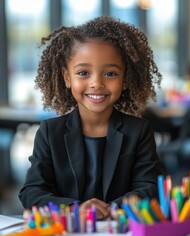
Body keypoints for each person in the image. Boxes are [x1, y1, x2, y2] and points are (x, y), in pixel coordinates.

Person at [19, 16, 163, 220]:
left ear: (125, 80)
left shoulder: (138, 131)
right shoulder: (50, 132)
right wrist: (76, 208)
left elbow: (149, 188)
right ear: (67, 77)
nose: (96, 83)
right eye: (84, 72)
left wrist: (110, 209)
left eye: (111, 74)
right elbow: (32, 192)